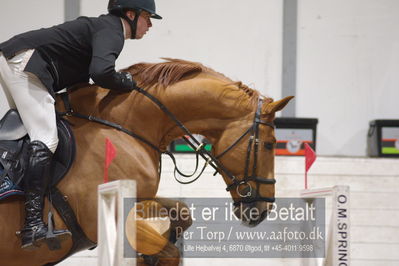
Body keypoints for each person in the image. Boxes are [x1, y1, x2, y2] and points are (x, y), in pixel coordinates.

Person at [0, 0, 161, 249]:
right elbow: (102, 72)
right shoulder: (113, 30)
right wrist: (127, 82)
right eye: (147, 17)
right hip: (26, 61)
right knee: (46, 137)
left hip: (18, 57)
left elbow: (83, 84)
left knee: (30, 132)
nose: (150, 24)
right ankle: (32, 223)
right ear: (130, 14)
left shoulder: (103, 28)